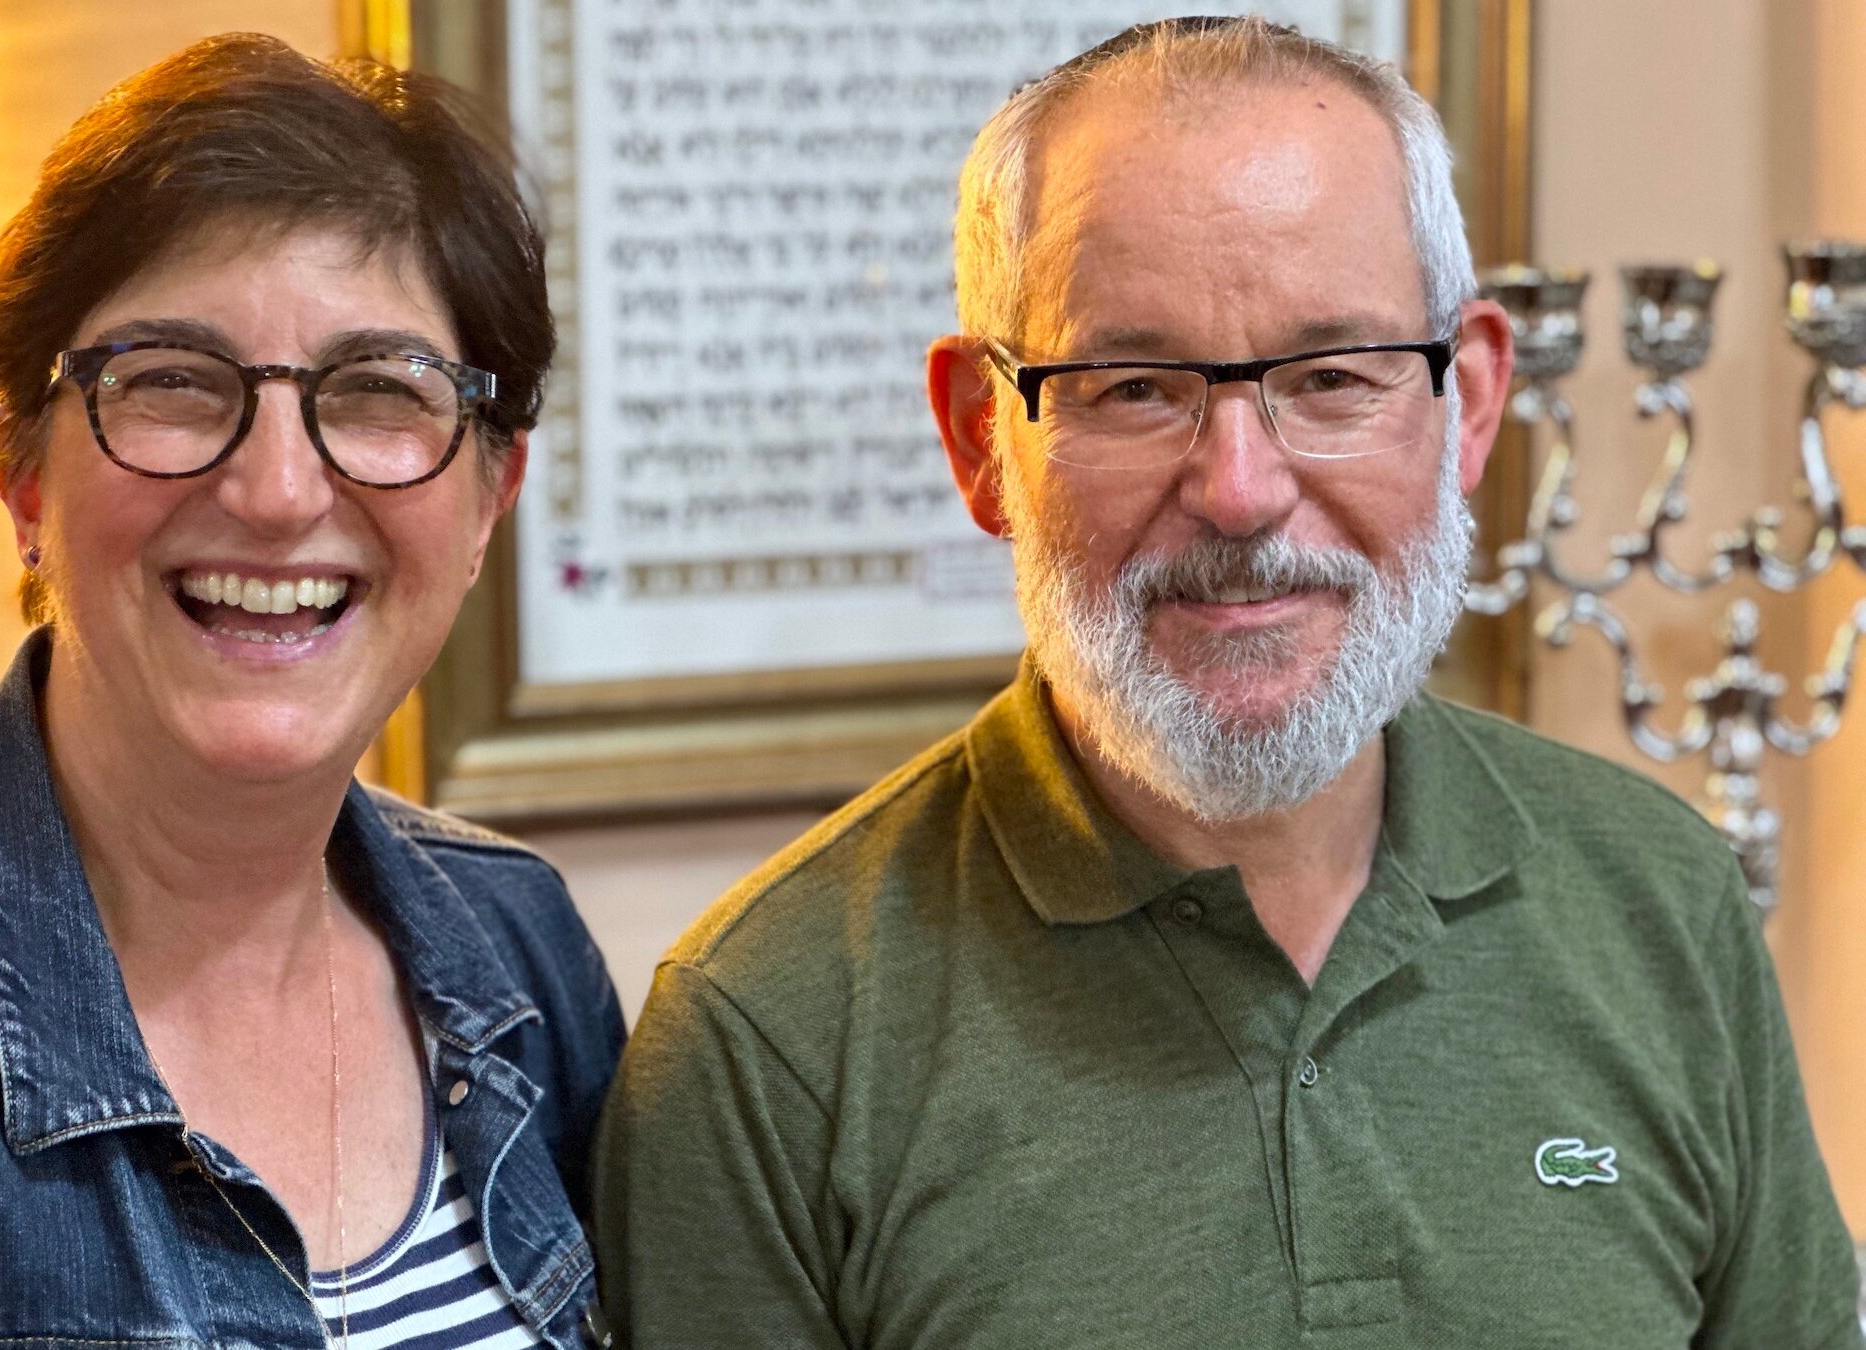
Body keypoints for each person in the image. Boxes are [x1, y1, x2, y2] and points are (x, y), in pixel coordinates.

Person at [592, 16, 1862, 1348]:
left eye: (1330, 378)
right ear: (981, 438)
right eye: (1134, 387)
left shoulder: (1663, 902)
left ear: (1470, 406)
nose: (1242, 491)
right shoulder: (766, 1038)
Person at [0, 35, 623, 1350]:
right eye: (177, 385)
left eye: (378, 392)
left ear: (492, 499)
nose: (278, 491)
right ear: (21, 478)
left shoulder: (520, 949)